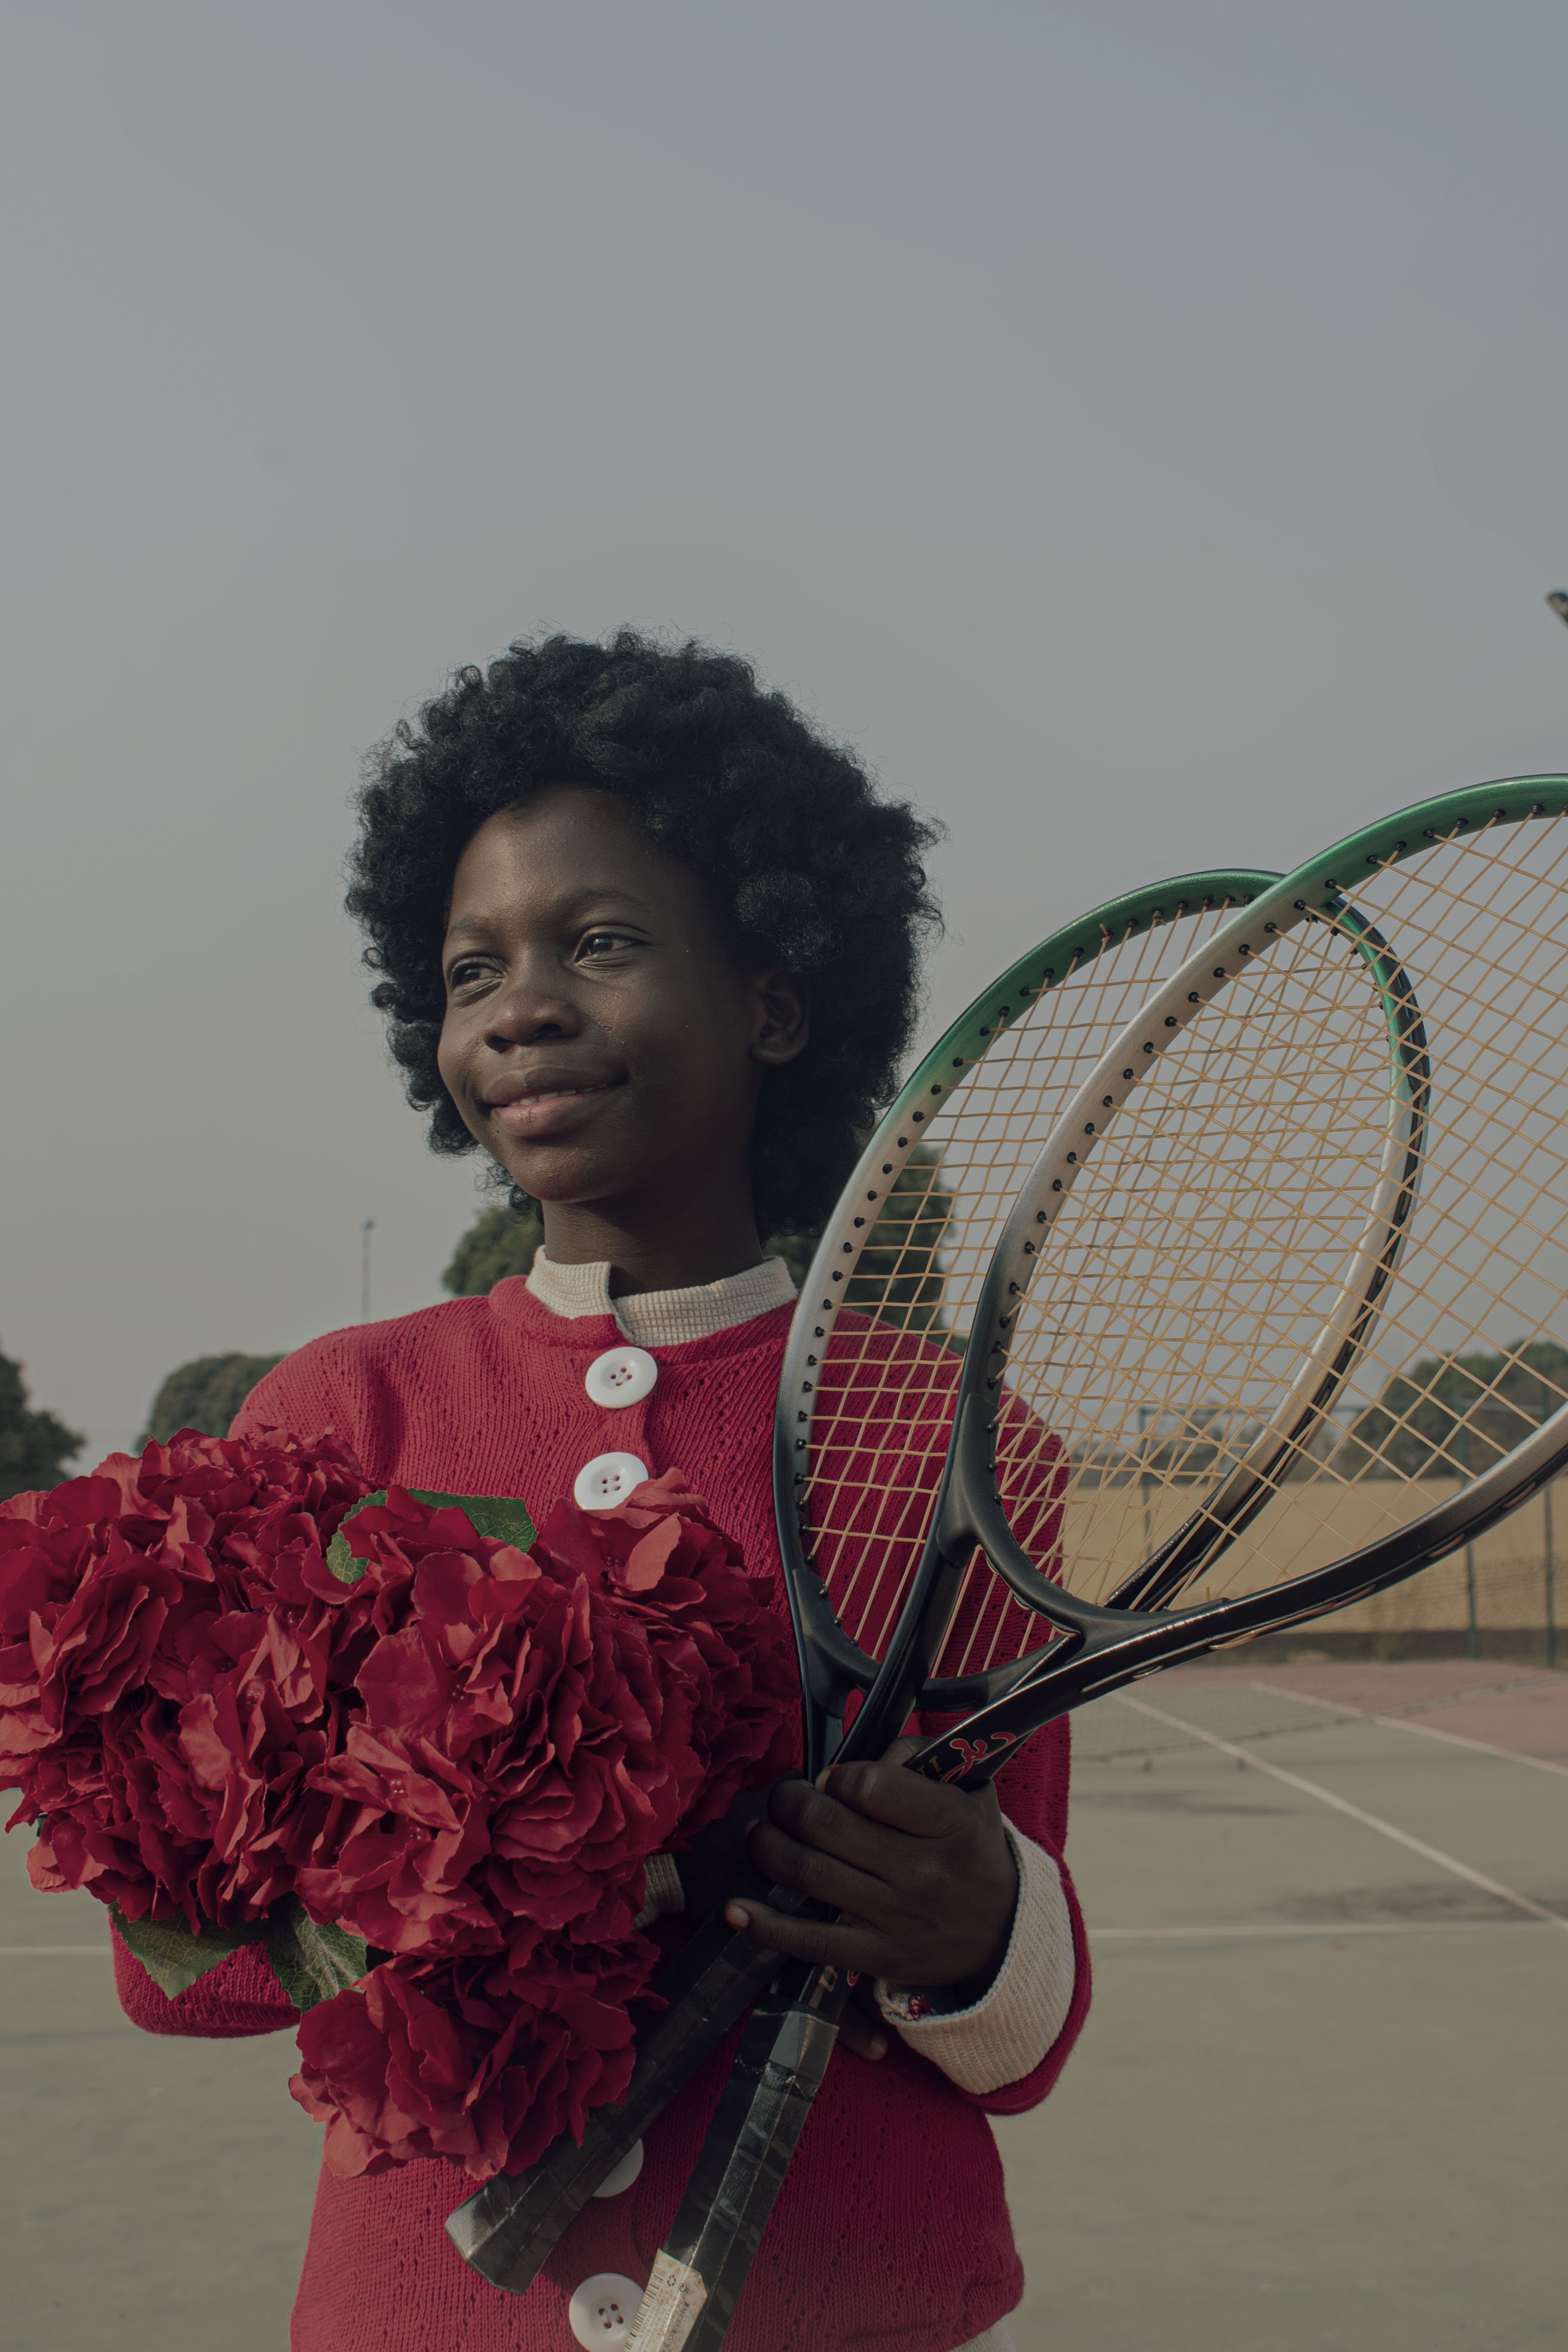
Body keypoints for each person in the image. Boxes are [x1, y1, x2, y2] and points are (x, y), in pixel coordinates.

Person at [113, 631, 1091, 2352]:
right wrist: (503, 1865)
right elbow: (172, 1973)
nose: (523, 1006)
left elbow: (1018, 2033)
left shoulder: (954, 1438)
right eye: (470, 970)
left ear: (779, 993)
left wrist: (985, 1928)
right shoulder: (340, 1414)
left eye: (605, 942)